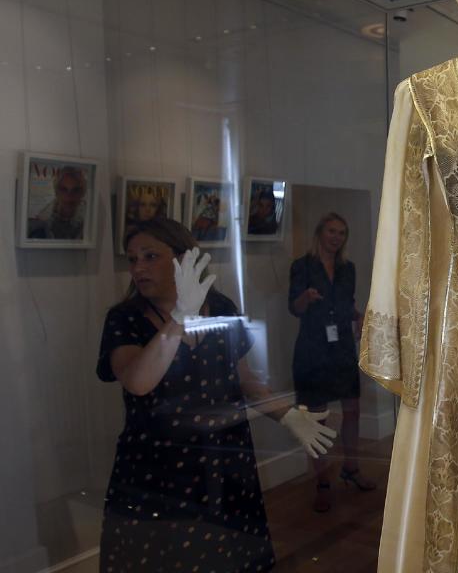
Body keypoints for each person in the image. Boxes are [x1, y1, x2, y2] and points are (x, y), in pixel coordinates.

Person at [96, 218, 335, 572]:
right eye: (132, 259)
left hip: (224, 462)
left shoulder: (220, 307)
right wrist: (179, 317)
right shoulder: (125, 318)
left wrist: (286, 413)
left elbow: (243, 379)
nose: (138, 268)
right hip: (158, 469)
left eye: (149, 256)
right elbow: (138, 381)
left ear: (182, 260)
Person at [288, 213, 375, 512]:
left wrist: (359, 316)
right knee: (317, 417)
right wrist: (307, 297)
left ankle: (351, 468)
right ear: (319, 233)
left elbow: (347, 304)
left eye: (341, 232)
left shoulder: (347, 268)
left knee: (352, 409)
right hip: (313, 348)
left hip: (341, 347)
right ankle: (322, 482)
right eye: (331, 231)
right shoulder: (302, 266)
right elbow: (294, 308)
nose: (336, 237)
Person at [28, 165, 87, 239]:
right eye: (64, 189)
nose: (69, 196)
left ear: (82, 193)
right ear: (56, 192)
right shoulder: (42, 224)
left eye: (75, 190)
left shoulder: (88, 223)